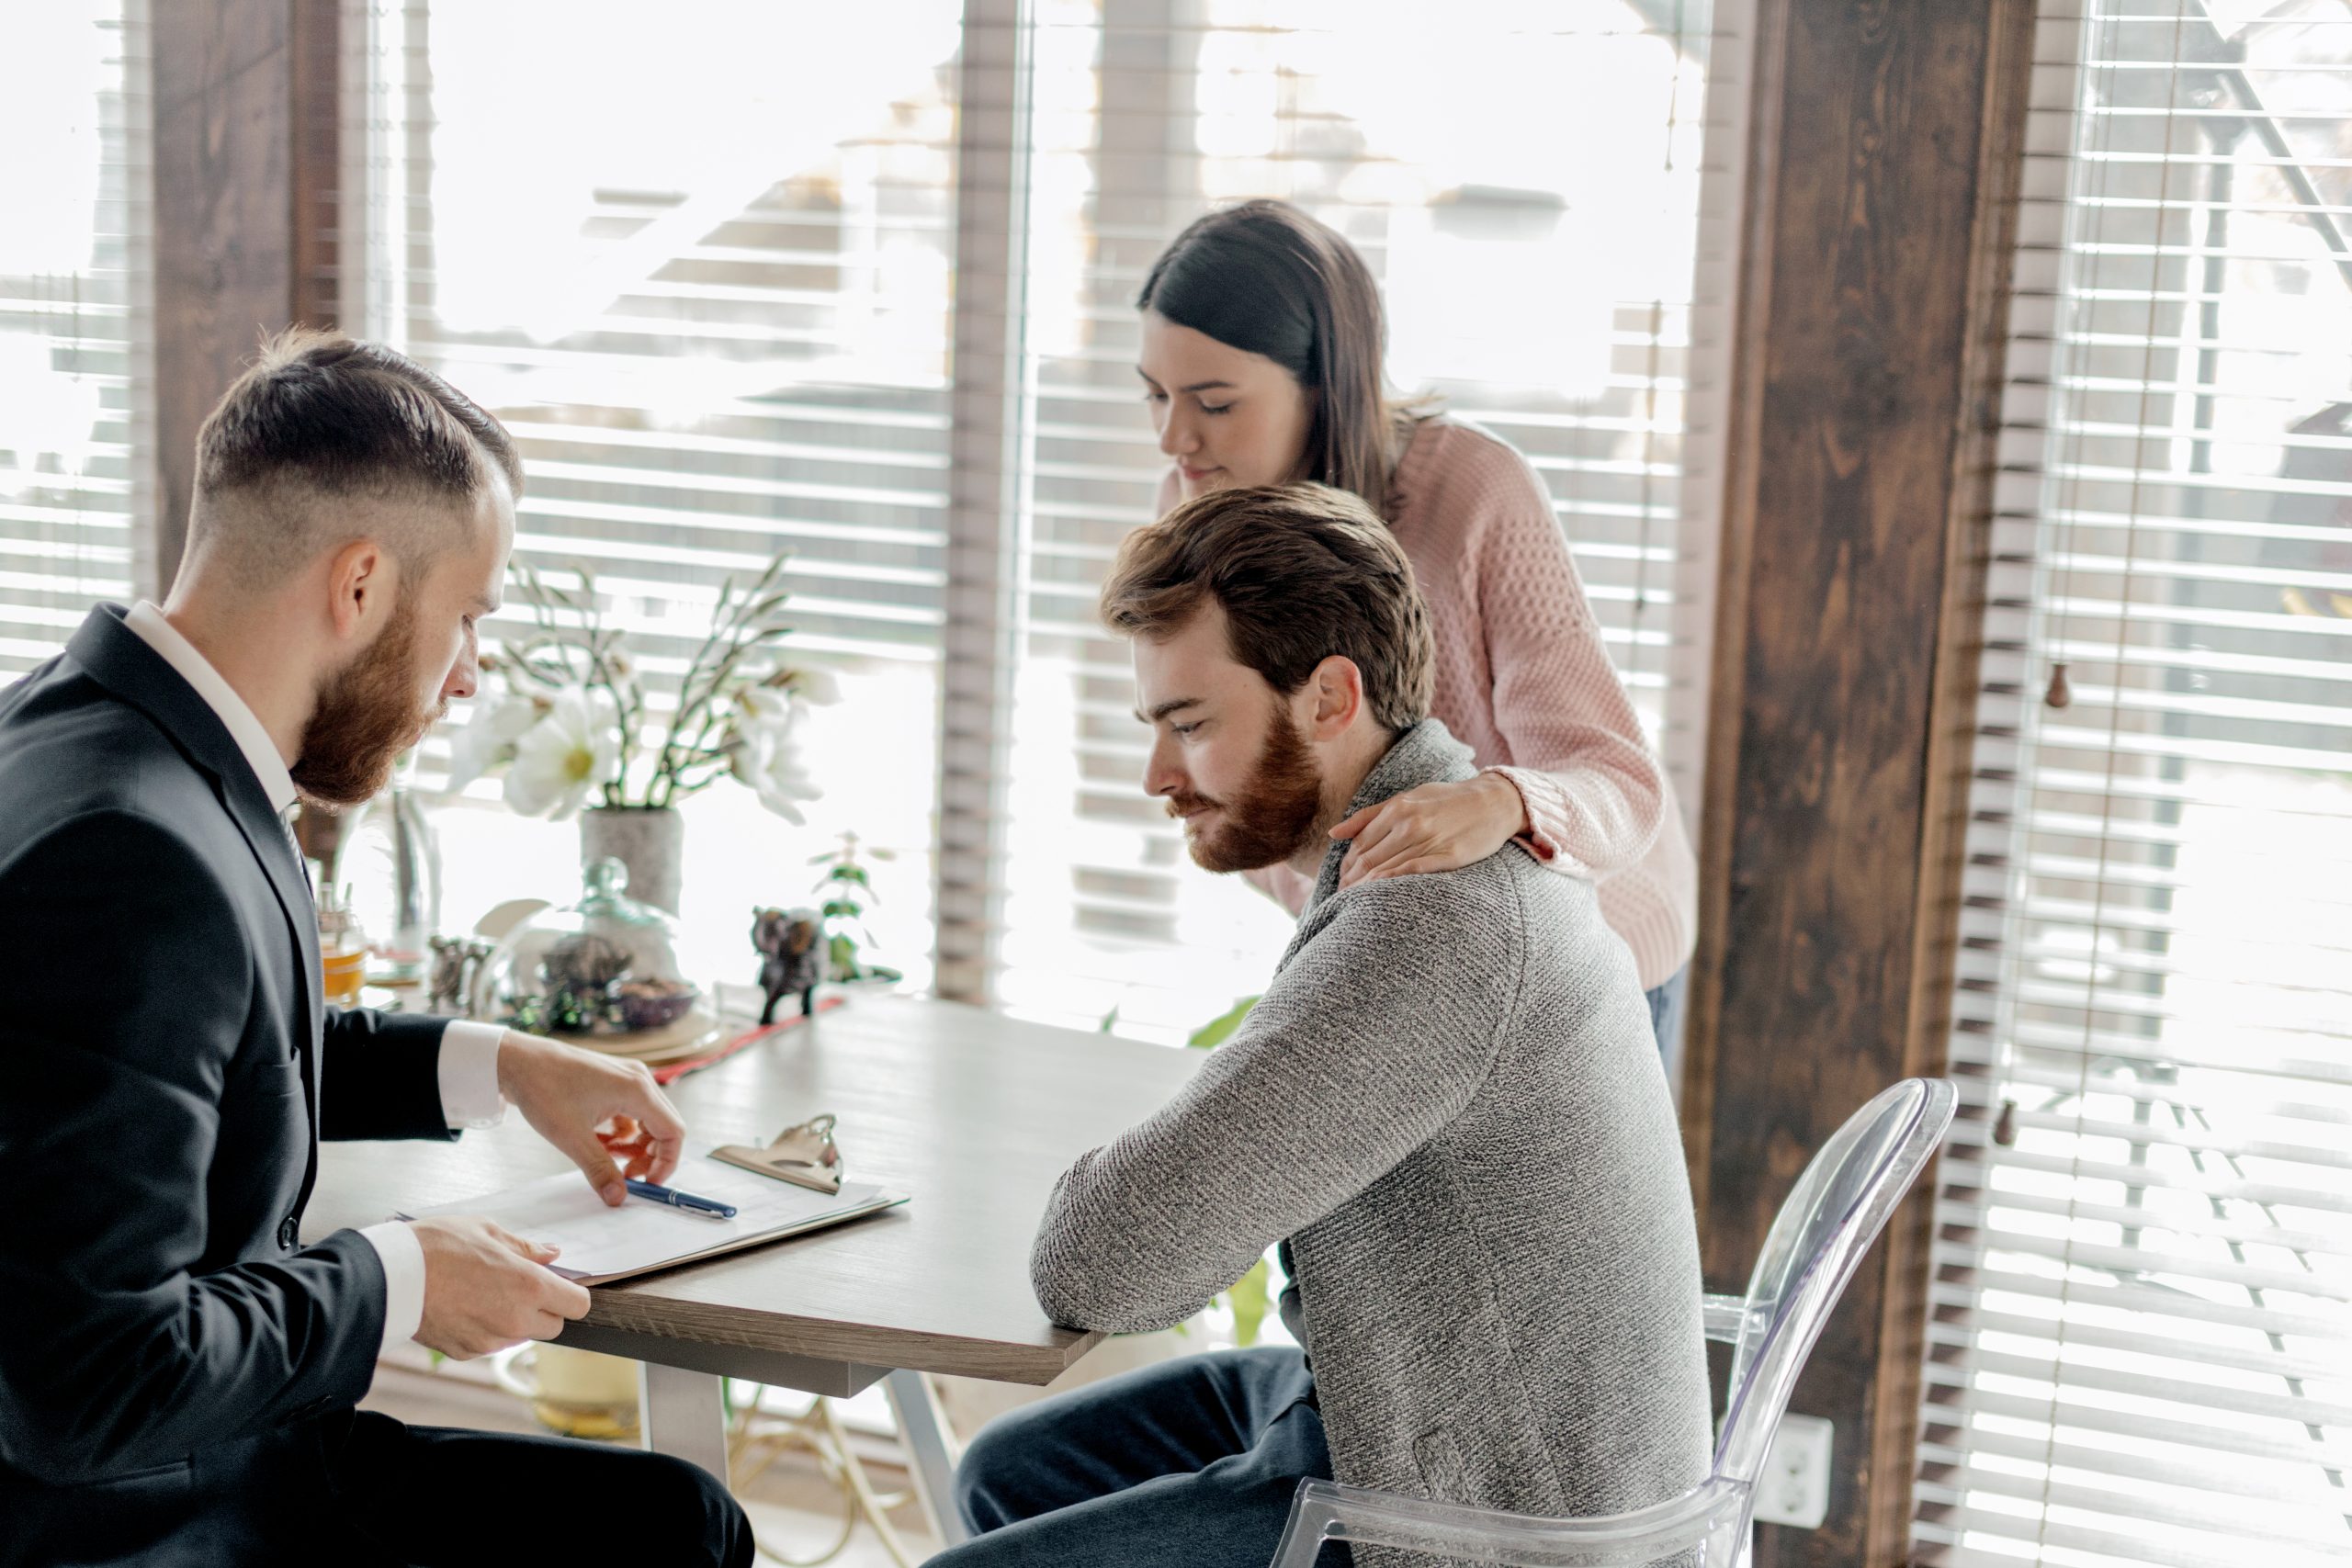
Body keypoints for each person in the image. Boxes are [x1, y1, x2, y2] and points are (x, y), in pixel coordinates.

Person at [0, 332, 752, 1568]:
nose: (467, 679)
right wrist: (397, 1277)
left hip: (214, 1462)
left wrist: (501, 1062)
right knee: (666, 1537)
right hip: (138, 1517)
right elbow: (89, 1382)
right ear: (360, 586)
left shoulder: (84, 734)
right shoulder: (134, 860)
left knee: (676, 1518)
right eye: (465, 617)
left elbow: (205, 1056)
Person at [942, 484, 1709, 1568]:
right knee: (1012, 1470)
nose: (1158, 777)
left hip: (1490, 1504)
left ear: (1329, 698)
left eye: (1191, 726)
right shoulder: (1423, 849)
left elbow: (1098, 1270)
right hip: (1416, 1392)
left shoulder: (1435, 925)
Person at [1135, 198, 1698, 1065]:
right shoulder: (1195, 504)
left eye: (1213, 402)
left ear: (1326, 385)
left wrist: (1500, 800)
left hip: (1595, 945)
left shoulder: (1475, 491)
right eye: (1158, 396)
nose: (1175, 438)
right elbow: (1235, 761)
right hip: (1412, 955)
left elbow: (1616, 778)